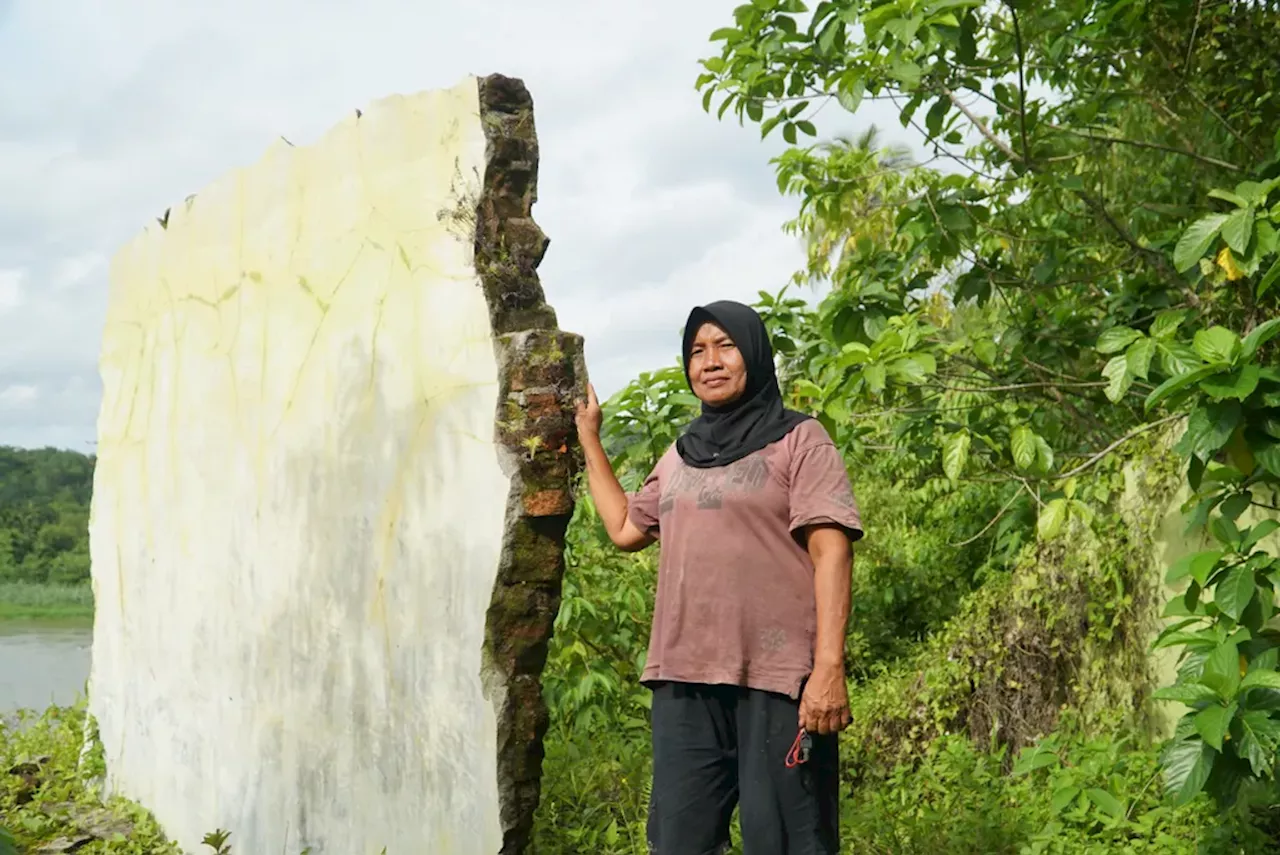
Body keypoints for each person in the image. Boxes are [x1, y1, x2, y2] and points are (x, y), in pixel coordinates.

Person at [574, 300, 863, 855]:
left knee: (785, 841)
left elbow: (832, 554)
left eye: (725, 346)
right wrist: (591, 436)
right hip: (684, 678)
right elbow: (624, 528)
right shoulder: (681, 455)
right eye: (697, 351)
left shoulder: (801, 440)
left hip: (779, 681)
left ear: (754, 354)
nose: (710, 361)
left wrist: (829, 668)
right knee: (679, 842)